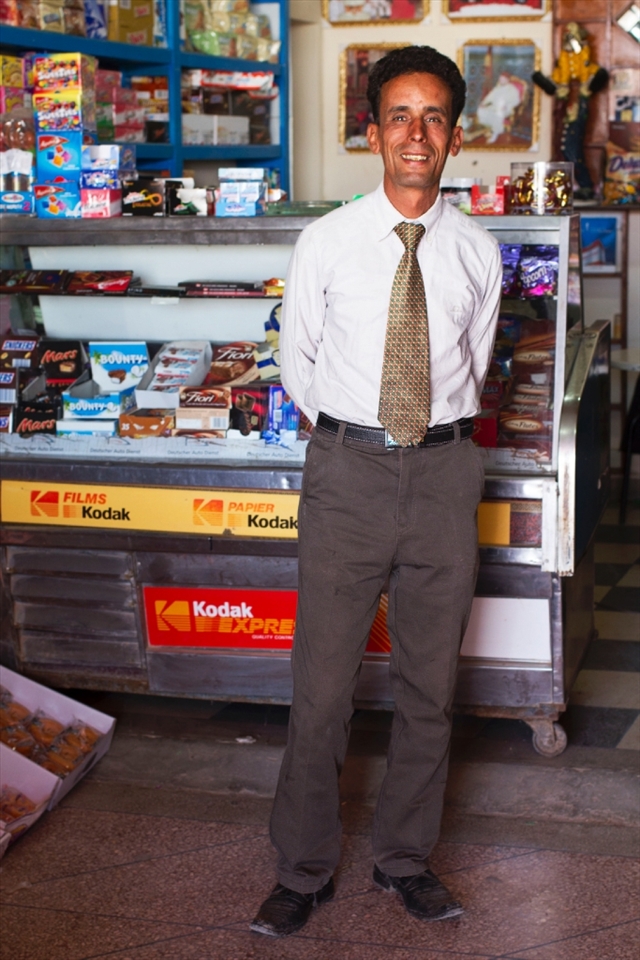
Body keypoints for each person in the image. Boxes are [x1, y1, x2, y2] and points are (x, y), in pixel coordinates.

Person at [251, 44, 502, 939]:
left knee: (430, 688)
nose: (416, 133)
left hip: (443, 474)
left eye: (434, 116)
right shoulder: (326, 241)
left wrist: (430, 441)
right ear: (372, 131)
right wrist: (354, 436)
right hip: (348, 473)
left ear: (455, 136)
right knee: (321, 688)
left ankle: (404, 860)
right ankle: (303, 868)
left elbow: (472, 364)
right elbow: (299, 362)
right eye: (400, 114)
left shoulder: (477, 250)